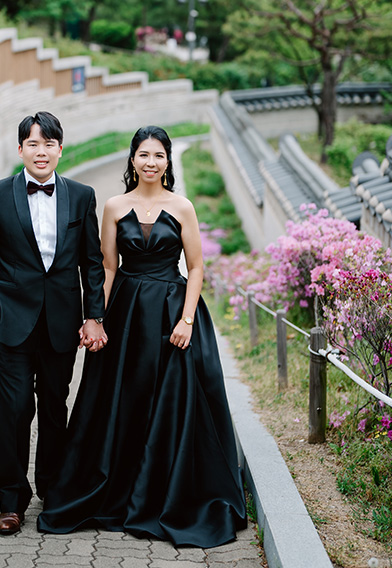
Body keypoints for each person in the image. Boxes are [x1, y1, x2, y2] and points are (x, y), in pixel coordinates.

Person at [38, 126, 247, 547]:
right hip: (127, 312)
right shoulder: (114, 206)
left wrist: (187, 320)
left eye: (159, 155)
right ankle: (115, 488)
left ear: (168, 161)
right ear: (132, 159)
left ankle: (164, 493)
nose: (151, 162)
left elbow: (197, 267)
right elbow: (108, 267)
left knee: (170, 402)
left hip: (172, 311)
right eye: (143, 155)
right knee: (121, 399)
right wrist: (96, 317)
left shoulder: (183, 207)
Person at [0, 111, 108, 536]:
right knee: (12, 412)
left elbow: (92, 262)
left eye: (48, 144)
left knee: (52, 409)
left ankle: (51, 488)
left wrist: (94, 315)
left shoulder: (82, 196)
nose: (41, 151)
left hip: (62, 324)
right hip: (10, 323)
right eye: (33, 144)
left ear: (60, 148)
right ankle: (11, 501)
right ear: (20, 150)